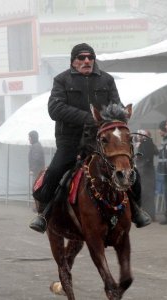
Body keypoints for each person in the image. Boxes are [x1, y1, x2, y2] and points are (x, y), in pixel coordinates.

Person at [29, 43, 151, 233]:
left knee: (131, 172)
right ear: (73, 61)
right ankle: (44, 214)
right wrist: (88, 117)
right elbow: (55, 109)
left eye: (90, 57)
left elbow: (116, 106)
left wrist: (120, 115)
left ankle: (136, 210)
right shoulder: (61, 80)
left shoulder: (107, 80)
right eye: (81, 57)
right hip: (70, 142)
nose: (86, 61)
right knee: (54, 172)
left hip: (101, 142)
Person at [135, 129, 158, 222]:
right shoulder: (145, 143)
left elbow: (146, 157)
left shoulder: (147, 143)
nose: (137, 136)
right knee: (145, 194)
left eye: (139, 134)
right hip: (144, 171)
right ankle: (147, 214)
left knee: (146, 193)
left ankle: (149, 215)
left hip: (146, 172)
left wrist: (139, 160)